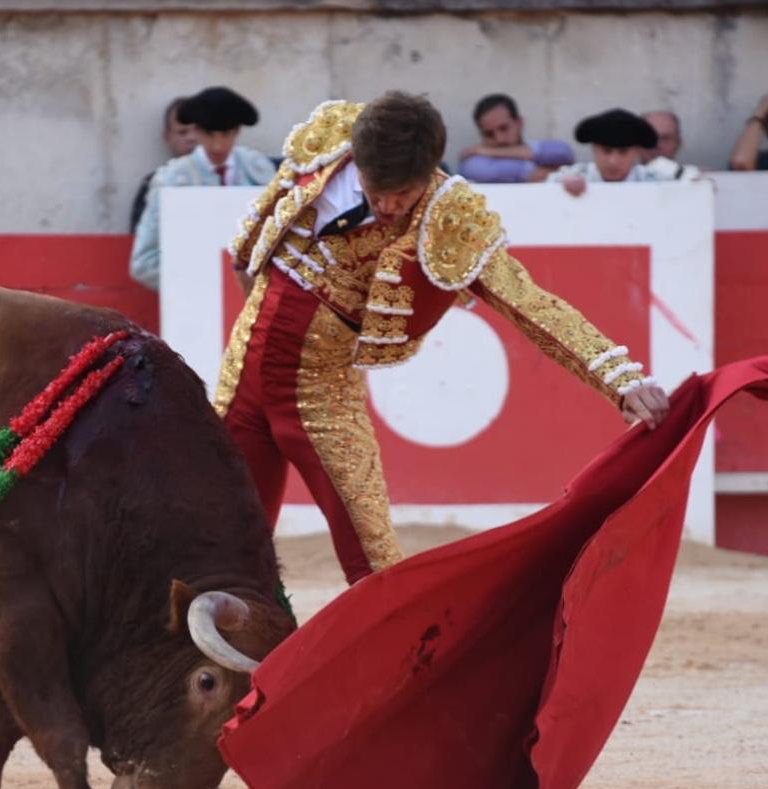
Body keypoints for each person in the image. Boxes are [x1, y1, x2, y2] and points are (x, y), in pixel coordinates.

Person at [220, 92, 669, 584]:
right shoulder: (329, 145)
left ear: (431, 172)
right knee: (220, 539)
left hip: (319, 393)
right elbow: (255, 242)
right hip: (242, 369)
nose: (389, 207)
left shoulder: (450, 218)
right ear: (358, 160)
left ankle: (398, 661)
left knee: (372, 559)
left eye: (404, 195)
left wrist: (620, 379)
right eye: (376, 190)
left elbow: (530, 305)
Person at [129, 86, 277, 290]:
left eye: (225, 134)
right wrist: (195, 285)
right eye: (209, 134)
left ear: (237, 132)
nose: (217, 145)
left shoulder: (260, 172)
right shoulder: (171, 180)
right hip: (195, 305)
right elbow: (144, 263)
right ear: (197, 130)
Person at [548, 109, 684, 197]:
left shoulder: (658, 181)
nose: (613, 161)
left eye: (623, 152)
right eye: (606, 151)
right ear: (594, 149)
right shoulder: (573, 175)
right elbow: (545, 190)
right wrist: (562, 187)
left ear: (636, 151)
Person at [458, 93, 574, 183]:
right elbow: (483, 172)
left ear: (519, 123)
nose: (499, 139)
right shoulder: (474, 162)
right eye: (489, 134)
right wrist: (554, 173)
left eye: (504, 128)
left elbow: (563, 153)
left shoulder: (481, 152)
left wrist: (488, 151)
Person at [128, 97, 198, 232]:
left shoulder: (228, 180)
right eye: (183, 132)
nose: (192, 138)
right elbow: (139, 240)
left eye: (199, 130)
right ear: (168, 137)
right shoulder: (154, 184)